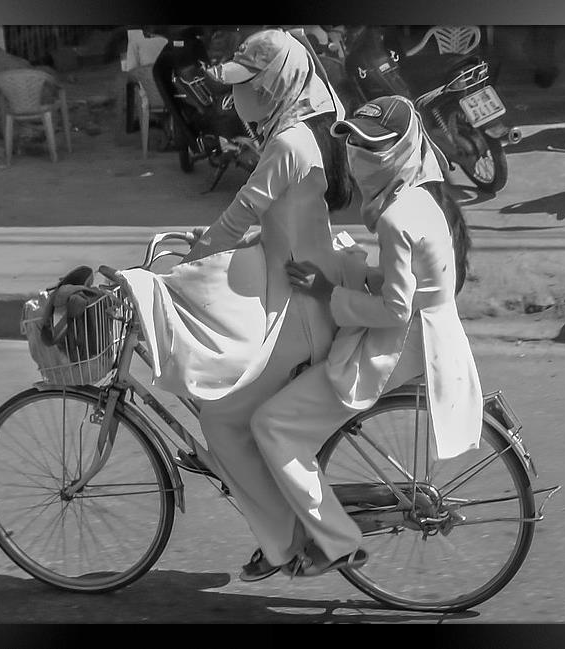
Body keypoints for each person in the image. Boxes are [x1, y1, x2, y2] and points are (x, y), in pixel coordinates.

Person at [247, 94, 483, 576]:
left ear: (400, 149)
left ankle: (335, 541)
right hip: (430, 331)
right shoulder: (422, 196)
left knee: (271, 424)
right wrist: (350, 268)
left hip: (401, 342)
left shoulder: (397, 217)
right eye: (354, 143)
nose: (359, 158)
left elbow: (396, 308)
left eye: (373, 147)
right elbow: (414, 284)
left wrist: (330, 289)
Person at [173, 28, 364, 580]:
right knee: (241, 414)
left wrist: (181, 264)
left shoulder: (287, 145)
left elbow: (241, 213)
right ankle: (286, 526)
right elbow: (277, 223)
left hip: (302, 315)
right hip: (304, 298)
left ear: (276, 83)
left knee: (221, 420)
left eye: (249, 84)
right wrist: (204, 245)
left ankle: (285, 543)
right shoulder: (299, 133)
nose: (238, 97)